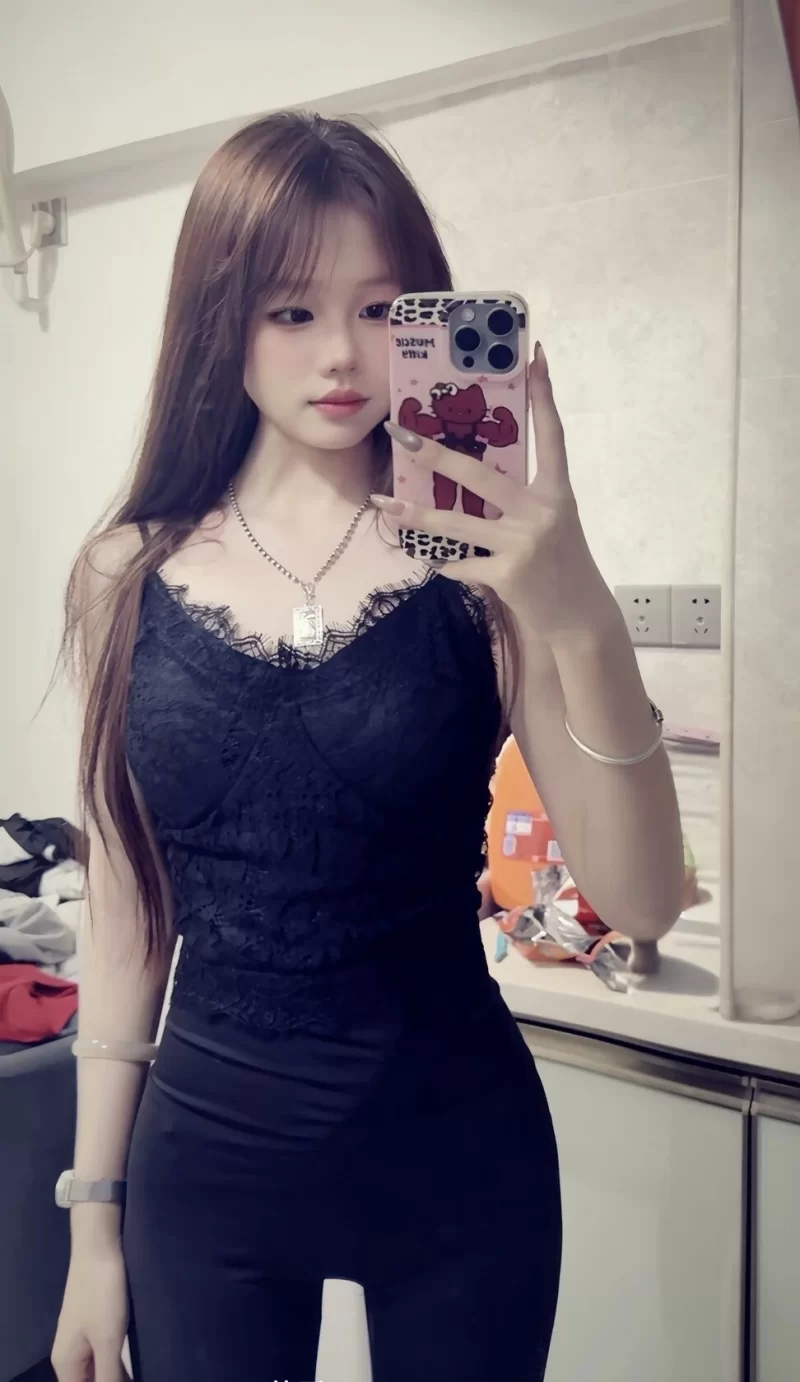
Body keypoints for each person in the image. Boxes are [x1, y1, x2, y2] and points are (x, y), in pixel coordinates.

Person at [51, 111, 684, 1382]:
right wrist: (91, 1221)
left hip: (459, 1159)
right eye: (289, 310)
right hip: (204, 1171)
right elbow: (126, 921)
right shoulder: (127, 571)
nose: (340, 354)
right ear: (218, 320)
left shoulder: (489, 574)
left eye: (381, 309)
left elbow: (644, 899)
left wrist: (576, 604)